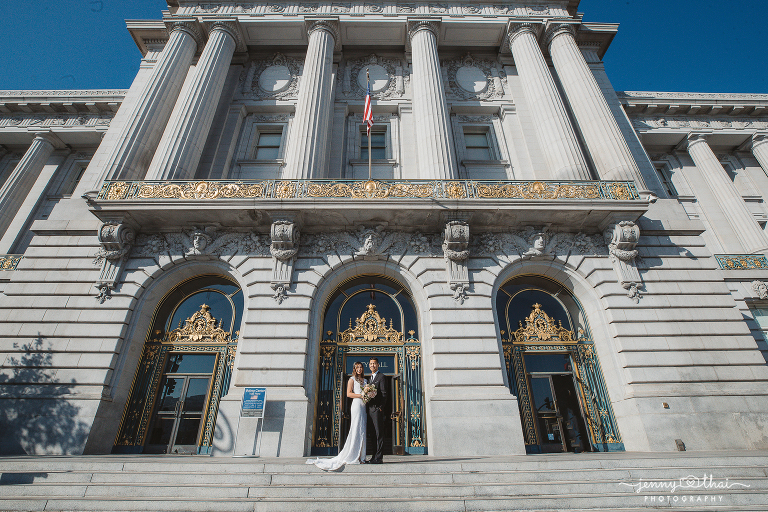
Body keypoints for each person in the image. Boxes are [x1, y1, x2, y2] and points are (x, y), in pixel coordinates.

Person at [306, 361, 367, 471]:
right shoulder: (351, 379)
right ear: (354, 369)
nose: (359, 369)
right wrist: (361, 395)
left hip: (363, 406)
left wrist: (368, 396)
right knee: (356, 428)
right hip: (357, 404)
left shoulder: (365, 380)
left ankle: (362, 456)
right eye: (357, 367)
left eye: (361, 367)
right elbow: (348, 394)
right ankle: (354, 455)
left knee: (363, 429)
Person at [365, 356, 387, 464]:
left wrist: (380, 408)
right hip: (370, 410)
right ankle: (373, 456)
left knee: (379, 434)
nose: (372, 365)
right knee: (372, 434)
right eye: (371, 364)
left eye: (374, 363)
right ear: (369, 366)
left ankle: (379, 457)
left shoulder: (381, 377)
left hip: (377, 410)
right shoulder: (369, 378)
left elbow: (384, 393)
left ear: (378, 365)